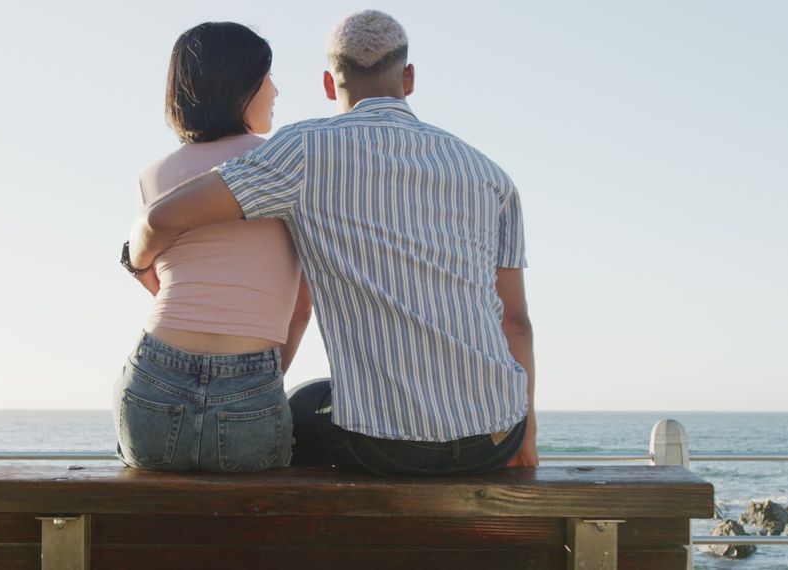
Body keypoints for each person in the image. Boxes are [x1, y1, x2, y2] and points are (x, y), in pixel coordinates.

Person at [127, 10, 537, 477]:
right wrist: (528, 435)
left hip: (385, 445)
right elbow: (517, 324)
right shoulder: (492, 177)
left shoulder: (304, 150)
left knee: (302, 405)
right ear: (409, 77)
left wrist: (136, 263)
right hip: (498, 437)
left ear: (328, 83)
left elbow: (163, 216)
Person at [115, 22, 311, 472]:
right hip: (251, 379)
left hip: (152, 380)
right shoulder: (284, 168)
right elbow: (300, 308)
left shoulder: (152, 176)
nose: (276, 90)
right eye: (267, 76)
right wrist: (255, 382)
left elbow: (158, 283)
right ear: (240, 85)